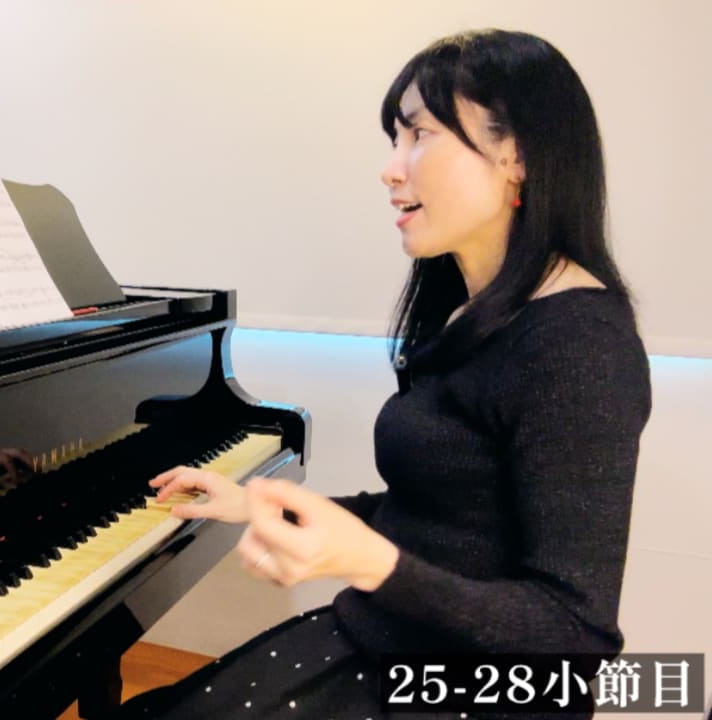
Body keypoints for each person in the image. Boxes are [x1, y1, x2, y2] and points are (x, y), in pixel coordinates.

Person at [112, 28, 652, 719]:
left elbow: (576, 637)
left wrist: (368, 563)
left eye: (419, 135)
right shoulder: (471, 312)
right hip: (380, 646)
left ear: (515, 154)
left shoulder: (580, 344)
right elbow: (432, 517)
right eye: (395, 139)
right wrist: (261, 505)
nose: (391, 169)